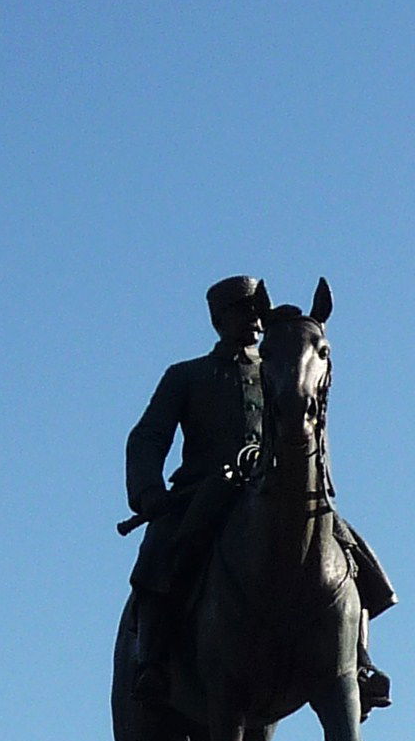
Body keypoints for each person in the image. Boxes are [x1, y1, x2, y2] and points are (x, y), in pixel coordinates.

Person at [125, 274, 395, 710]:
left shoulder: (281, 366)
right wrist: (148, 491)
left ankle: (357, 660)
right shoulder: (186, 376)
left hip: (274, 487)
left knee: (347, 551)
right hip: (203, 491)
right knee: (160, 554)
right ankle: (152, 662)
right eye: (240, 312)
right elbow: (148, 437)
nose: (251, 321)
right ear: (219, 320)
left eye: (255, 313)